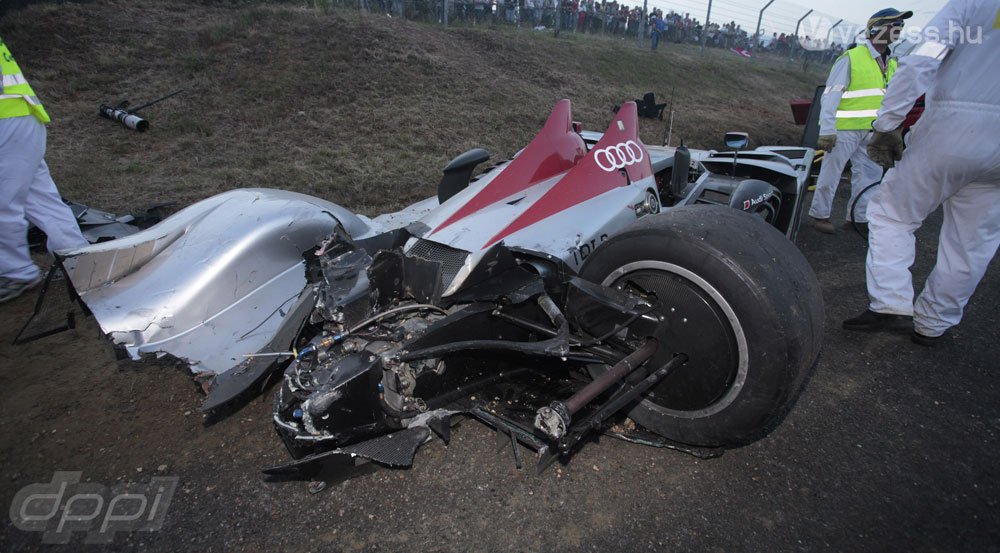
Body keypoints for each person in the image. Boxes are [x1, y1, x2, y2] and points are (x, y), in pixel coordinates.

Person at [843, 0, 999, 345]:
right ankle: (933, 323)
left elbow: (923, 59)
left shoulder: (973, 4)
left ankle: (891, 302)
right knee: (972, 244)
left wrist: (887, 124)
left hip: (956, 123)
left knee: (892, 213)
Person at [807, 8, 912, 234]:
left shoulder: (892, 62)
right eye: (894, 25)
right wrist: (827, 129)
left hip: (873, 130)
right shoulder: (852, 58)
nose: (899, 30)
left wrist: (891, 127)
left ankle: (857, 218)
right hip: (845, 129)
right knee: (831, 173)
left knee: (870, 175)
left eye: (900, 26)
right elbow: (831, 95)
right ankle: (819, 215)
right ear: (877, 28)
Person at [0, 37, 87, 303]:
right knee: (40, 199)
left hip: (7, 123)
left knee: (5, 204)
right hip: (20, 118)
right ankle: (78, 257)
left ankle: (17, 273)